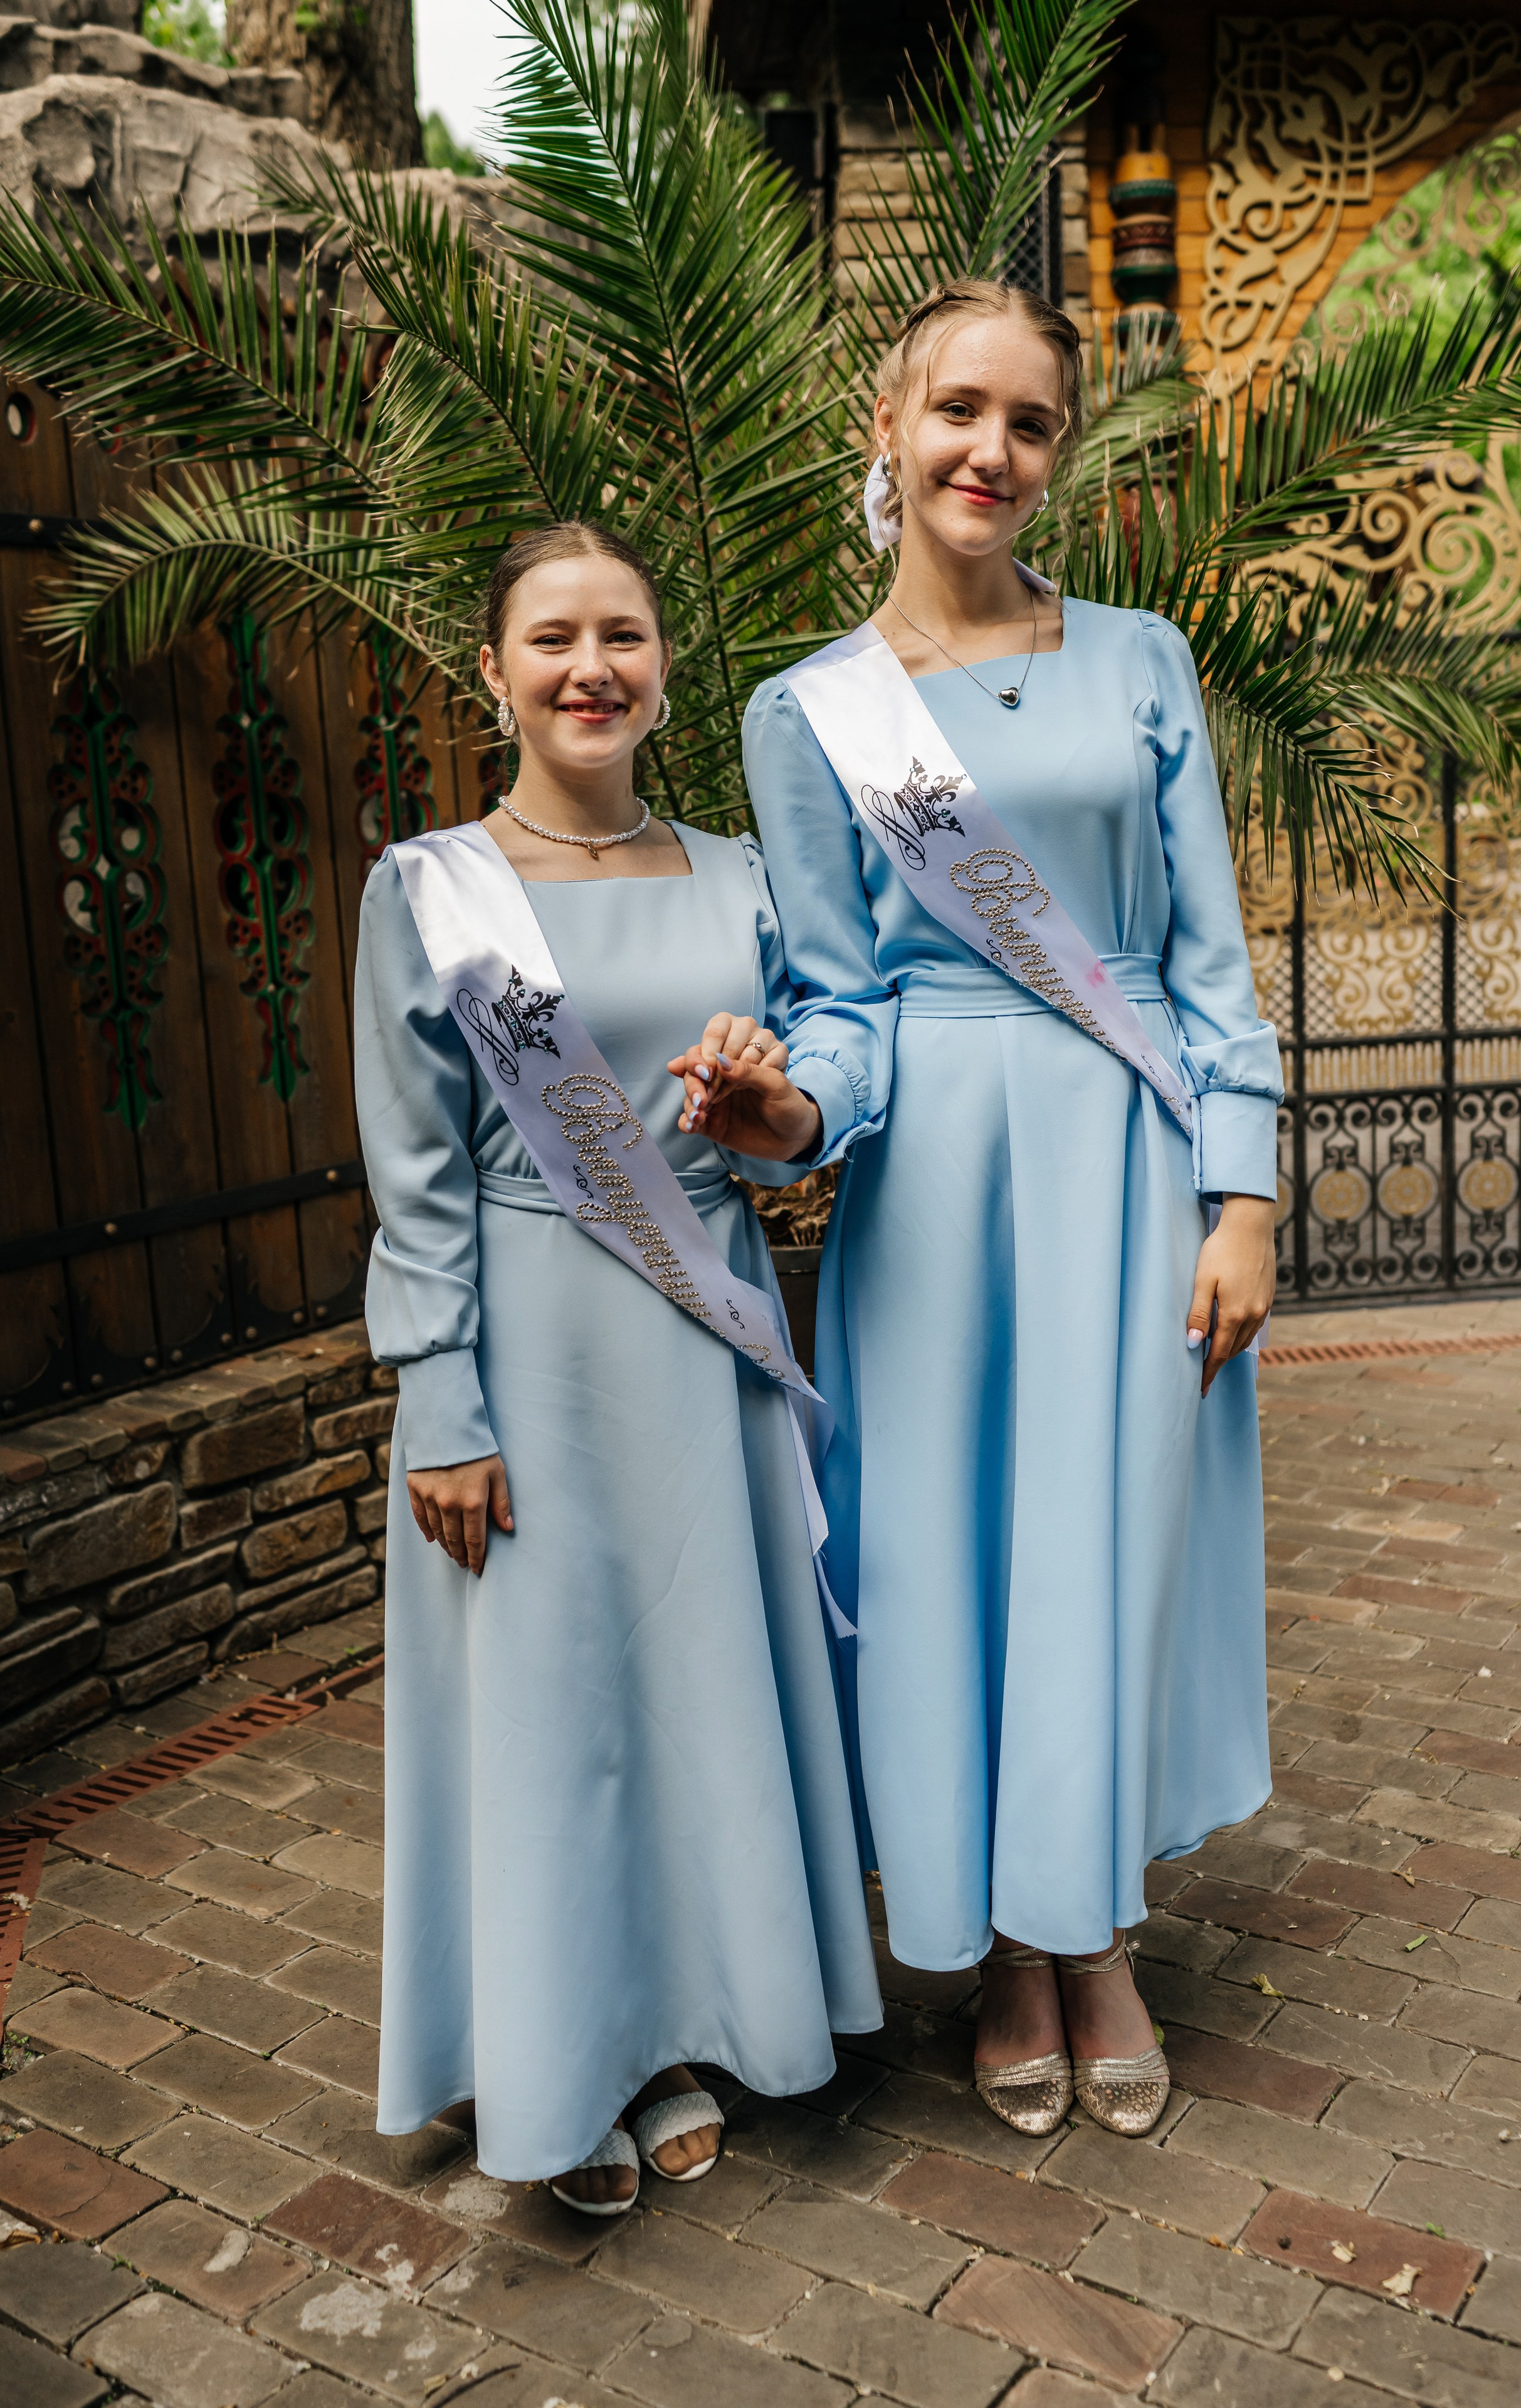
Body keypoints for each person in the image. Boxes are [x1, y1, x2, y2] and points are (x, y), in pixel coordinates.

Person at [685, 280, 1280, 2140]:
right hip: (936, 1181)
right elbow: (840, 1005)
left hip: (1128, 1163)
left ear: (1059, 452)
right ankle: (1007, 1958)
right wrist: (790, 1112)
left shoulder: (1141, 661)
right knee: (952, 1557)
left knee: (1109, 1542)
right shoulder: (812, 715)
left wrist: (1245, 1191)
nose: (990, 451)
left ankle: (1097, 1936)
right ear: (889, 424)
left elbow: (1207, 957)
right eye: (958, 410)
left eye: (1029, 422)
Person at [356, 522, 880, 2214]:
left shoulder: (739, 877)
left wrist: (767, 1095)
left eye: (625, 636)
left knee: (693, 1687)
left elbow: (812, 1086)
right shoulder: (430, 890)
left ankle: (683, 2029)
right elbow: (416, 1179)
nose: (592, 668)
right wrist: (442, 1403)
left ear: (662, 667)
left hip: (704, 1331)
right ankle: (559, 2061)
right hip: (528, 1346)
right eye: (554, 638)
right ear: (494, 670)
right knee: (554, 1707)